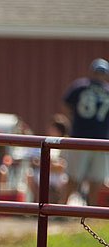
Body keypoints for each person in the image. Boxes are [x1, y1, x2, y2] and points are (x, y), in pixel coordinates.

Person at [61, 58, 109, 205]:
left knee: (78, 177)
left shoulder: (80, 86)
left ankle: (64, 207)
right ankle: (86, 210)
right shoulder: (106, 90)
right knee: (92, 179)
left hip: (82, 138)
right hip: (98, 140)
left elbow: (66, 104)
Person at [26, 114, 71, 204]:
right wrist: (44, 164)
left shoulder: (66, 144)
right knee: (30, 175)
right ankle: (38, 204)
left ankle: (61, 207)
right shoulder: (46, 142)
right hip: (44, 172)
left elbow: (62, 167)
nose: (50, 130)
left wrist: (46, 164)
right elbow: (34, 161)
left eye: (54, 129)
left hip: (59, 176)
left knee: (67, 181)